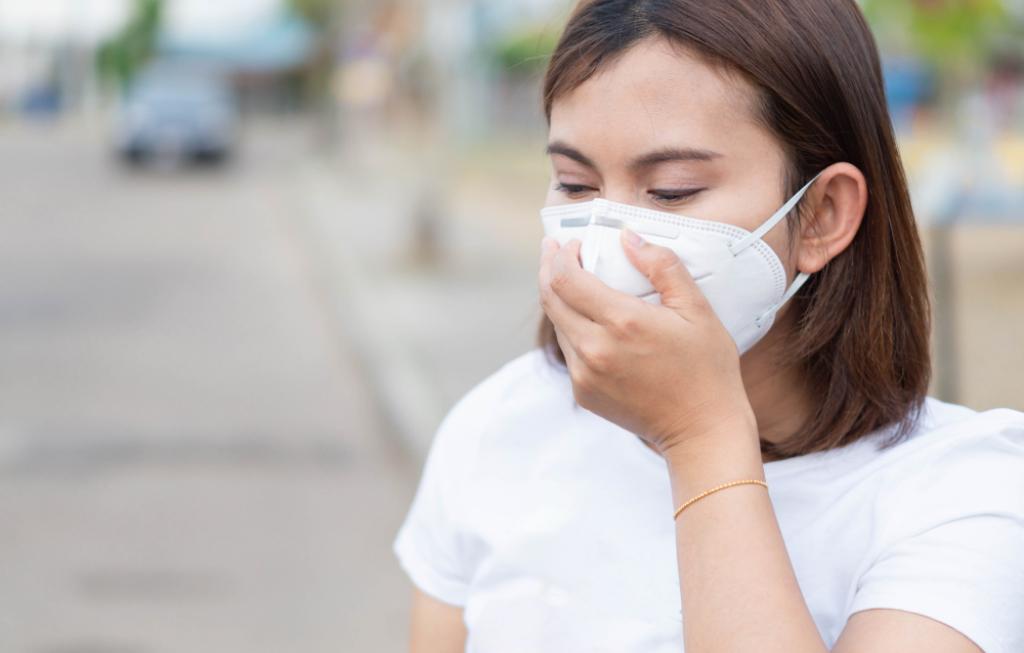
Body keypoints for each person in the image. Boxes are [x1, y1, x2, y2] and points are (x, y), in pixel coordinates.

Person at [392, 1, 1024, 651]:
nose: (609, 237)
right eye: (575, 183)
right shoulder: (497, 428)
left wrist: (701, 435)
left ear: (823, 215)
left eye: (671, 190)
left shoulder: (965, 492)